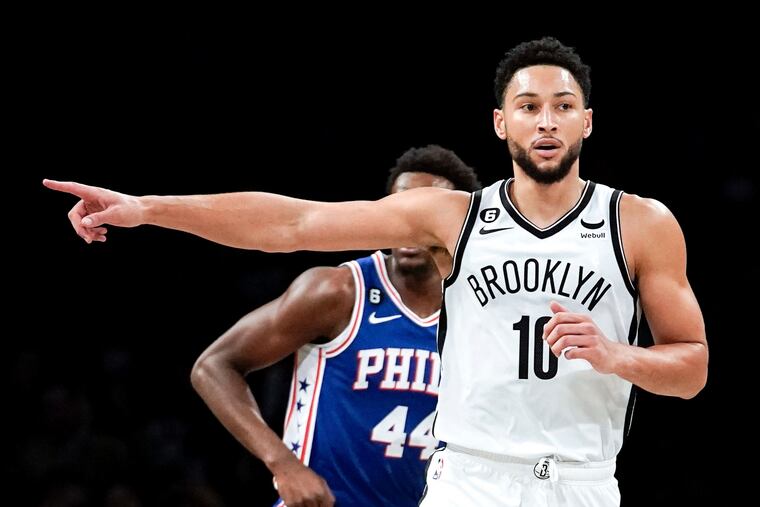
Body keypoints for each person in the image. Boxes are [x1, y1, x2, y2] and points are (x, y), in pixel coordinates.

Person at [45, 37, 708, 506]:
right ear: (502, 122)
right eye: (529, 106)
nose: (546, 120)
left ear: (587, 121)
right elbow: (293, 223)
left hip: (582, 480)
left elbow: (693, 365)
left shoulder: (642, 223)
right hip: (467, 479)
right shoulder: (449, 216)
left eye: (563, 105)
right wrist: (147, 208)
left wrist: (619, 355)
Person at [189, 145, 480, 507]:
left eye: (422, 211)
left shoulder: (480, 309)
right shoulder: (339, 291)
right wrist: (282, 464)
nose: (408, 223)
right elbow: (213, 366)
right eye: (399, 208)